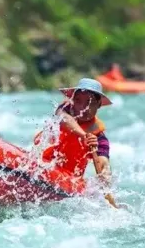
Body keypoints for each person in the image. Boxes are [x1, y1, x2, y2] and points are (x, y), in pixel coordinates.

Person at [33, 78, 120, 208]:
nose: (82, 107)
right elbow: (64, 119)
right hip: (42, 165)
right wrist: (84, 135)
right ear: (72, 101)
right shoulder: (64, 110)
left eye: (89, 102)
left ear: (98, 105)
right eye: (78, 101)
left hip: (67, 180)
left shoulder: (100, 138)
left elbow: (103, 164)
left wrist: (105, 178)